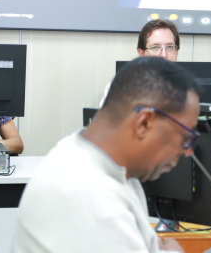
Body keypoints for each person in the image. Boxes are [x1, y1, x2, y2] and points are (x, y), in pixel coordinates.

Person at [11, 57, 201, 253]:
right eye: (185, 138)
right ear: (144, 123)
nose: (187, 151)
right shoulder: (92, 202)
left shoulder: (90, 158)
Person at [100, 19, 181, 107]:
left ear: (176, 52)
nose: (164, 55)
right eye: (155, 47)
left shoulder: (189, 90)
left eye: (169, 47)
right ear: (142, 53)